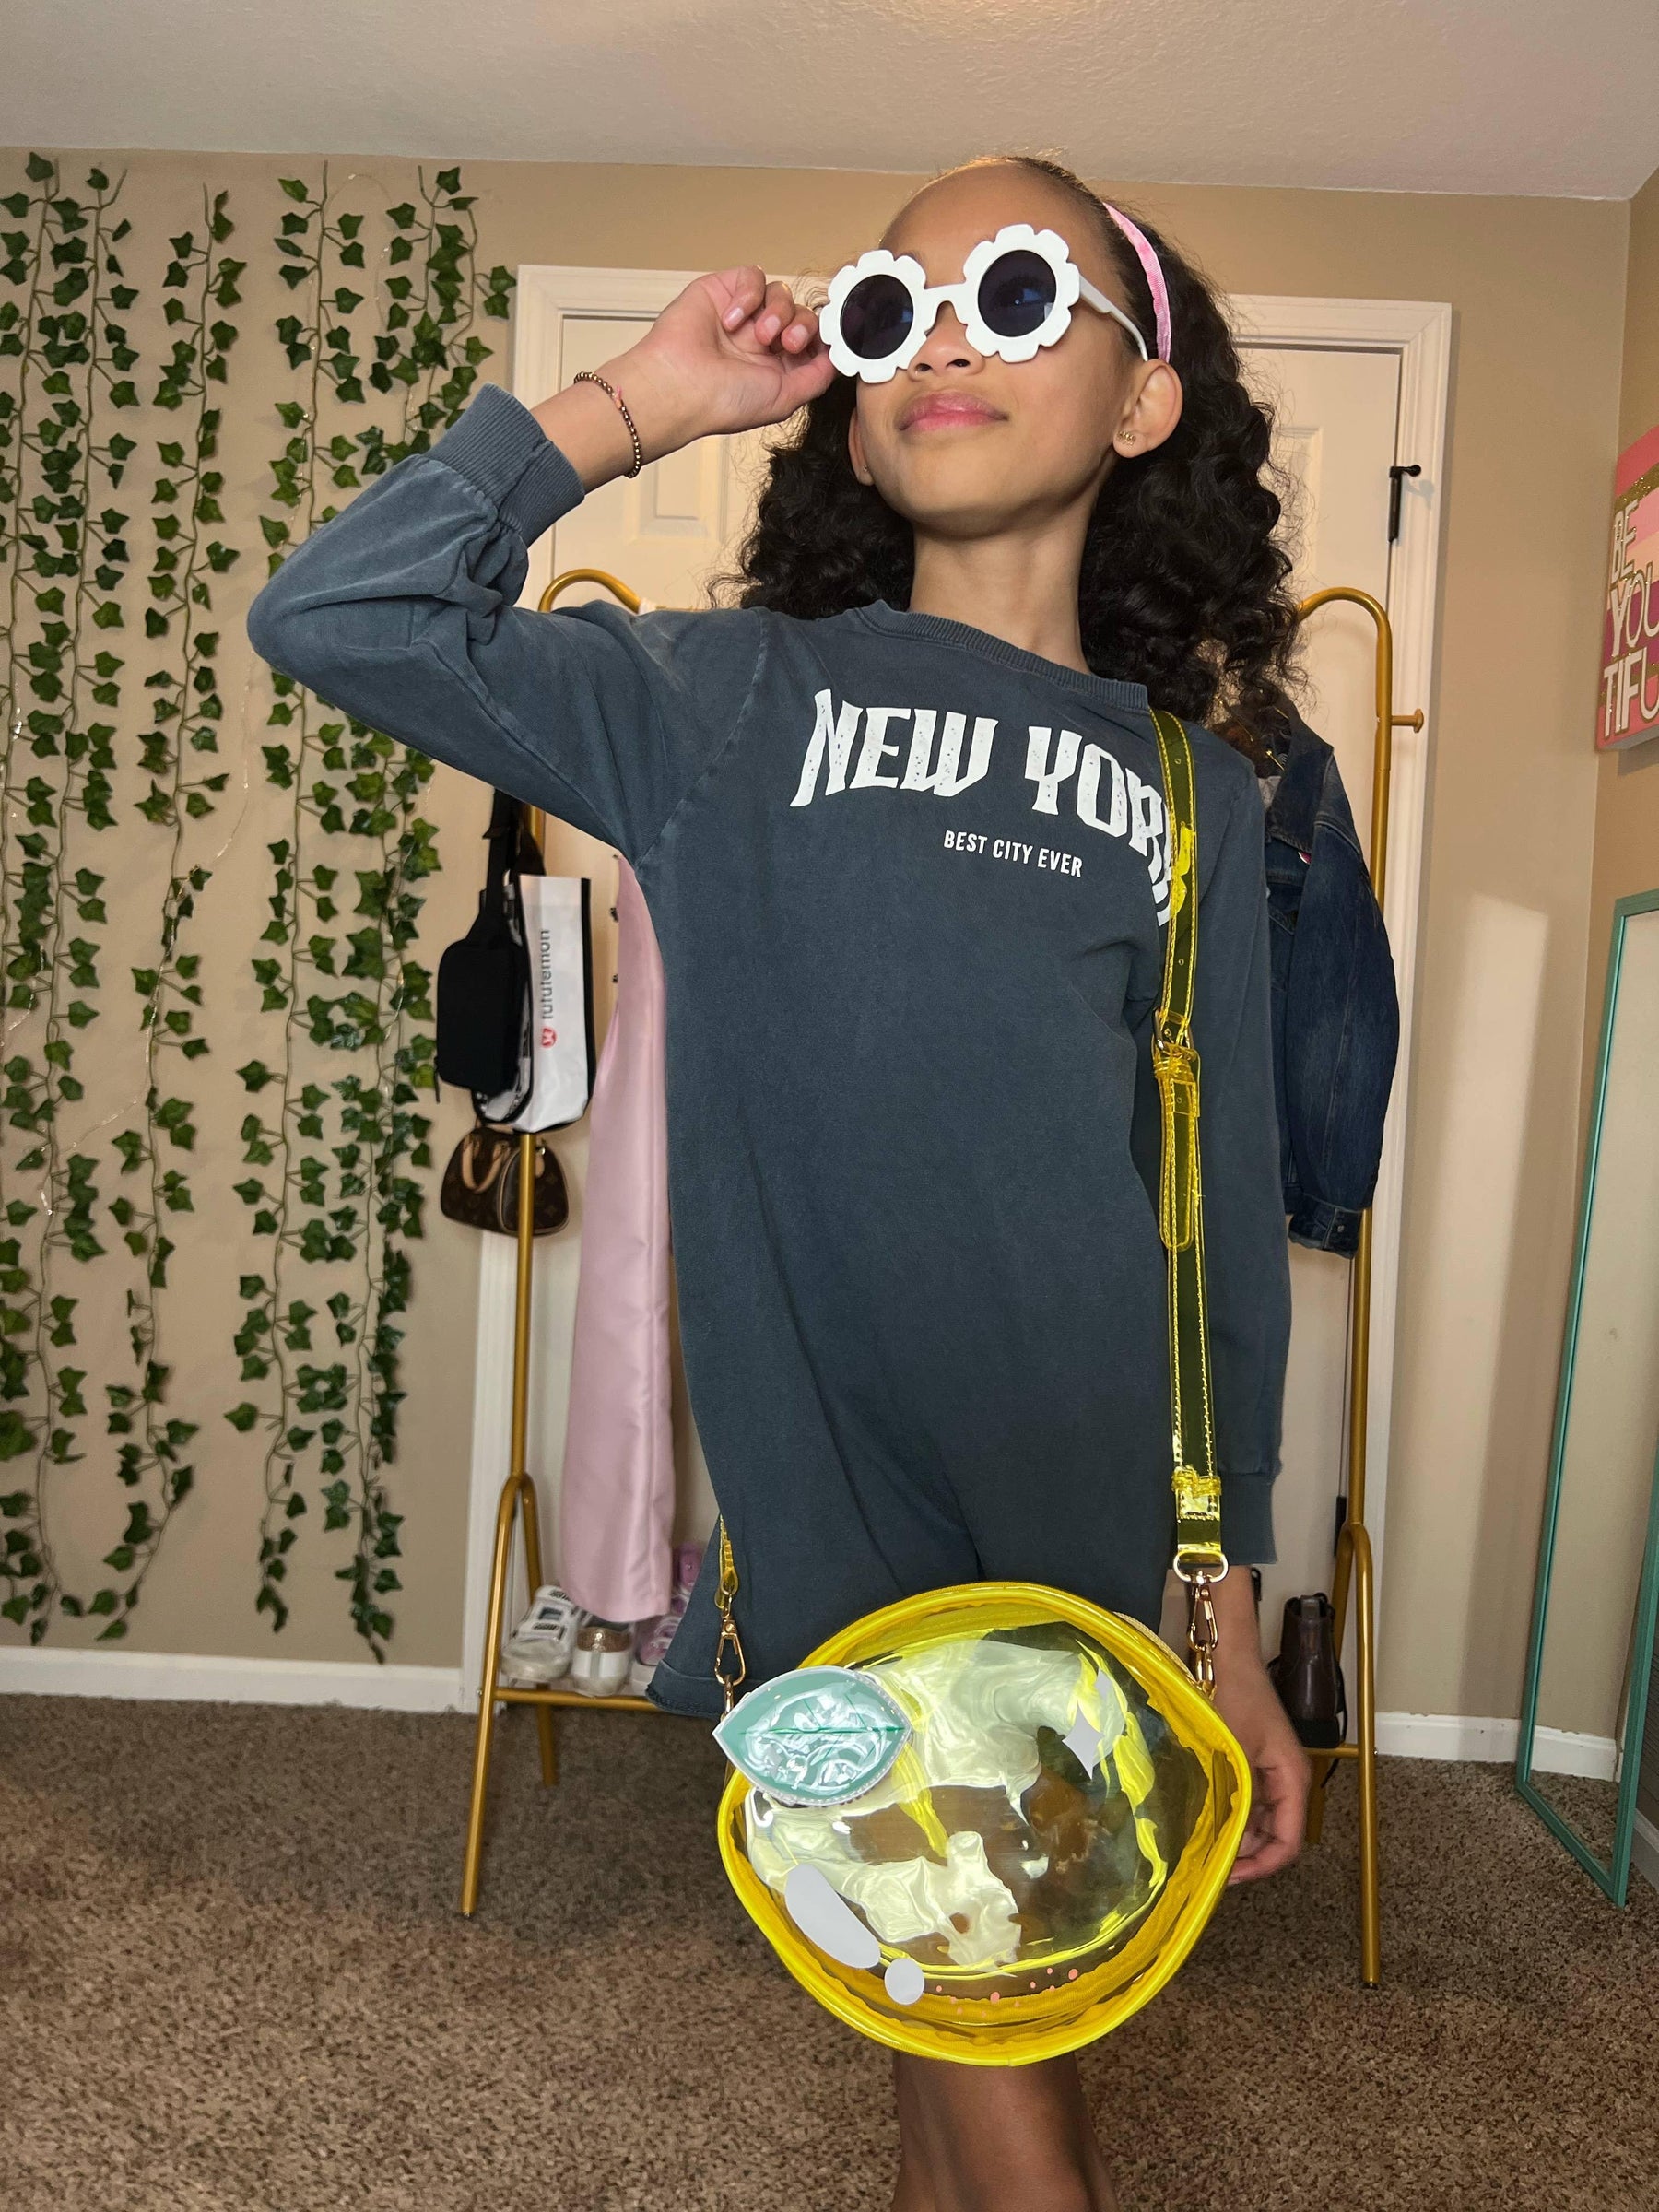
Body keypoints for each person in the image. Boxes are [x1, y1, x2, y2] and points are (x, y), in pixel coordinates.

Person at [248, 150, 1309, 2212]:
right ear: (851, 398)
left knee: (969, 1993)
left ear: (1143, 396)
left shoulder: (1194, 790)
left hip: (1093, 1498)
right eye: (895, 310)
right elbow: (339, 612)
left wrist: (1227, 1604)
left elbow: (1212, 1223)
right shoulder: (727, 701)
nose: (946, 343)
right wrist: (638, 403)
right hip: (846, 1504)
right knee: (992, 2026)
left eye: (1018, 295)